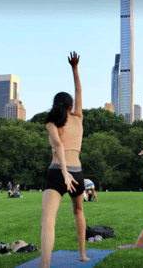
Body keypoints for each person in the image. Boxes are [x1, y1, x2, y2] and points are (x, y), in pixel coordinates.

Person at [40, 51, 89, 268]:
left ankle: (44, 265)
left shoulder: (51, 122)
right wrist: (75, 68)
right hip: (76, 172)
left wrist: (63, 173)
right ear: (70, 107)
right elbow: (79, 90)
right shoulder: (78, 119)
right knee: (78, 210)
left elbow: (58, 145)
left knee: (48, 222)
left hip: (58, 171)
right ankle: (82, 254)